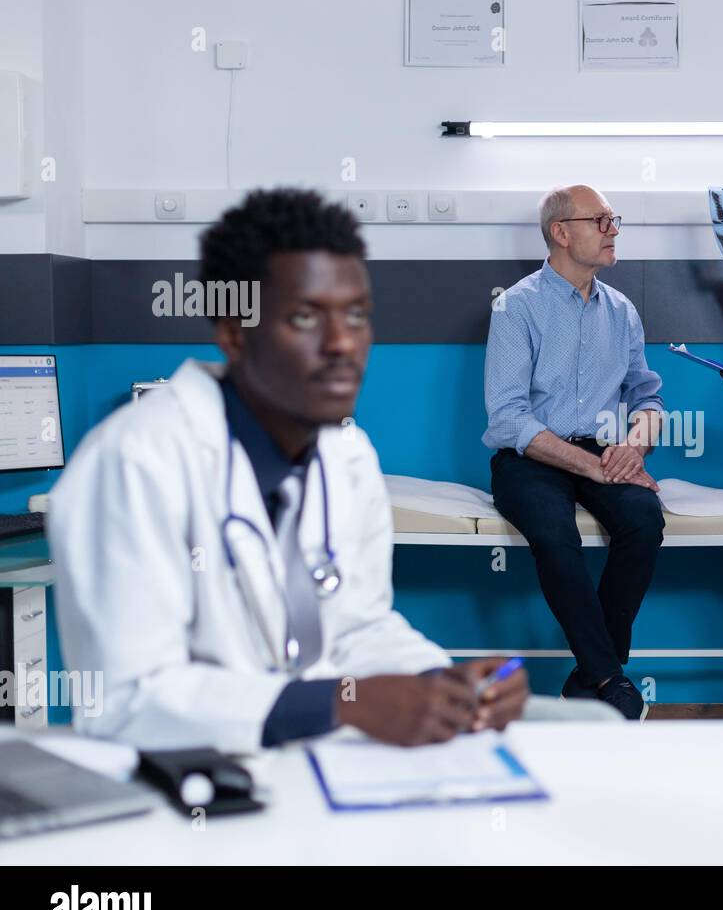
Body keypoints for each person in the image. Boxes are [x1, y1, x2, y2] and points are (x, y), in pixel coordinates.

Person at [49, 188, 529, 753]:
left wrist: (438, 685)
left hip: (319, 778)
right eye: (305, 317)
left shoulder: (347, 457)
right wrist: (341, 702)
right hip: (187, 801)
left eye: (356, 315)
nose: (342, 344)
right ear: (234, 332)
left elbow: (357, 628)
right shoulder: (136, 460)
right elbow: (125, 701)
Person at [483, 185, 664, 721]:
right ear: (561, 232)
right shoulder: (517, 306)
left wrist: (635, 446)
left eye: (614, 220)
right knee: (553, 532)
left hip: (602, 451)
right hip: (530, 456)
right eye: (601, 220)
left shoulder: (622, 311)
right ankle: (609, 676)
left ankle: (588, 678)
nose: (614, 230)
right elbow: (509, 416)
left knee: (643, 521)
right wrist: (595, 467)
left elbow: (647, 395)